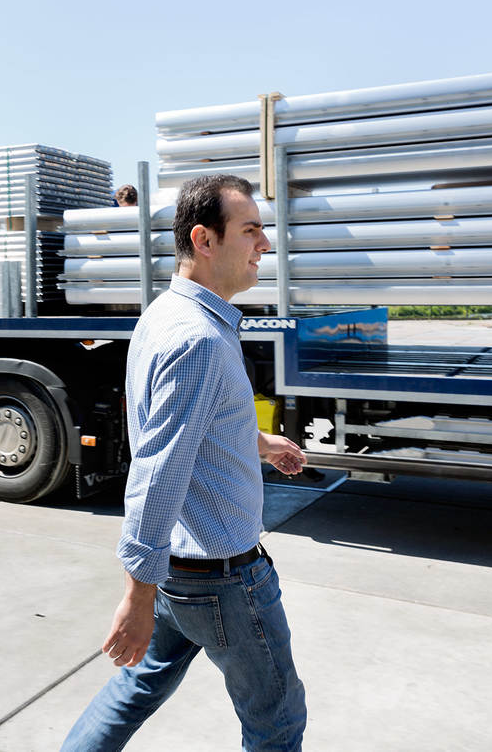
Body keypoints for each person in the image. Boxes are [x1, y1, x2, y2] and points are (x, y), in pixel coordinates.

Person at [62, 175, 308, 751]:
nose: (264, 246)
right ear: (204, 239)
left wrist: (260, 442)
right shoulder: (197, 339)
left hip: (184, 573)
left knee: (135, 689)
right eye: (251, 231)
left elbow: (194, 430)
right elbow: (159, 470)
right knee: (278, 721)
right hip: (221, 580)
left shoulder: (165, 313)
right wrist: (137, 595)